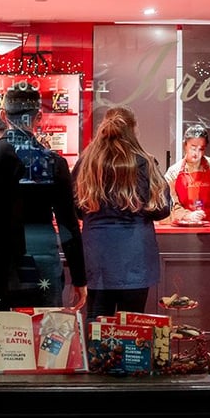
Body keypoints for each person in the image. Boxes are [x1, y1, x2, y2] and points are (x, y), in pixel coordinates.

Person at [0, 82, 87, 317]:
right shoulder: (53, 163)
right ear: (39, 117)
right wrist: (79, 277)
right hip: (43, 258)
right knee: (44, 338)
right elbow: (68, 226)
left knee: (0, 337)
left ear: (3, 116)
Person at [72, 108, 171, 317]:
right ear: (133, 130)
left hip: (96, 253)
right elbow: (162, 209)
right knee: (133, 327)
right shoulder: (145, 162)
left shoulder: (86, 163)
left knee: (98, 322)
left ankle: (97, 351)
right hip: (135, 254)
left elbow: (77, 209)